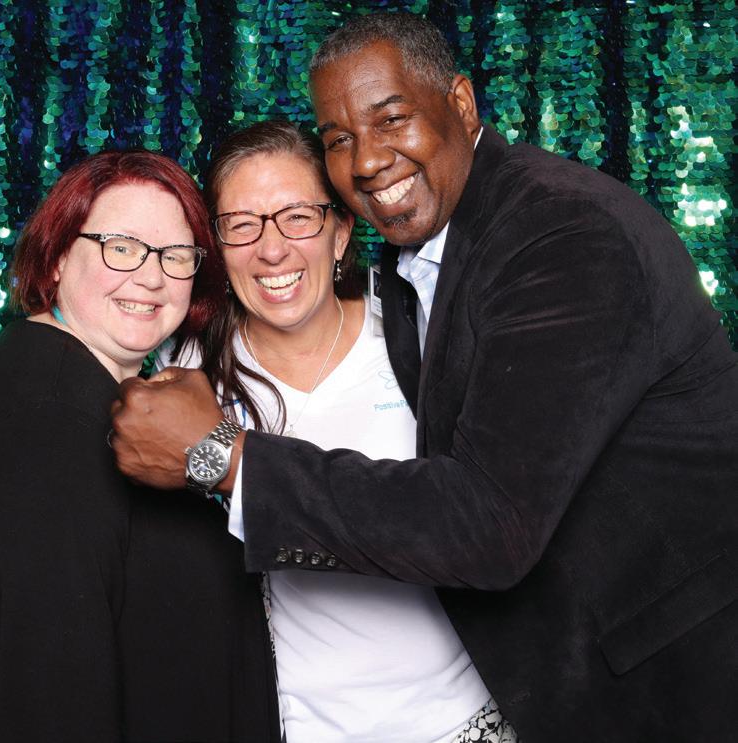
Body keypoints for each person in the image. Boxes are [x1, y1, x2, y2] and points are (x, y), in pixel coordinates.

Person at [110, 13, 738, 742]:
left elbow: (490, 521)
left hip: (660, 681)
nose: (368, 160)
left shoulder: (563, 235)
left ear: (462, 105)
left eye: (391, 119)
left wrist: (228, 459)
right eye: (339, 139)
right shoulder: (422, 260)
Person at [0, 150, 279, 742]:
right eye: (121, 247)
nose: (151, 277)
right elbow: (52, 701)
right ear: (57, 258)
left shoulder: (93, 396)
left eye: (175, 255)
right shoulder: (43, 421)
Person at [155, 119, 513, 742]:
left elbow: (489, 514)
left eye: (298, 217)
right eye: (242, 224)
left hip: (462, 717)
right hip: (304, 727)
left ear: (342, 231)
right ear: (216, 244)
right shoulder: (188, 372)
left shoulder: (417, 333)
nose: (272, 250)